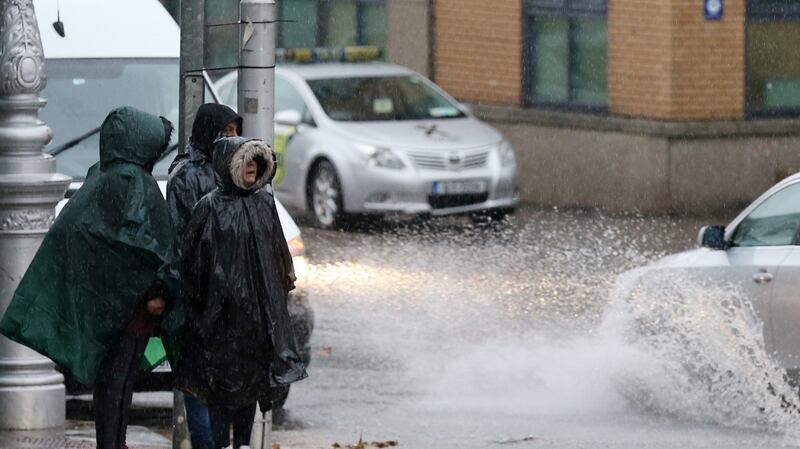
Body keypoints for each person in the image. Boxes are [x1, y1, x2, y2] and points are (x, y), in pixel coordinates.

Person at [0, 106, 175, 449]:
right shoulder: (133, 182)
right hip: (132, 309)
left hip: (105, 305)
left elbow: (89, 234)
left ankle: (113, 442)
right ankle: (113, 443)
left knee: (113, 381)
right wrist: (160, 288)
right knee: (119, 382)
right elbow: (148, 245)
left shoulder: (102, 175)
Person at [175, 136, 307, 449]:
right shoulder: (209, 208)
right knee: (221, 392)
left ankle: (243, 444)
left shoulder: (263, 204)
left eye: (255, 161)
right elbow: (193, 265)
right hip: (220, 321)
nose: (251, 166)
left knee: (249, 389)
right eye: (245, 160)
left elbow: (279, 260)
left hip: (256, 321)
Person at [166, 103, 242, 449]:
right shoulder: (188, 175)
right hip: (199, 299)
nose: (233, 138)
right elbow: (183, 240)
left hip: (231, 300)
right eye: (225, 131)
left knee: (228, 385)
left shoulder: (240, 171)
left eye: (235, 131)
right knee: (198, 386)